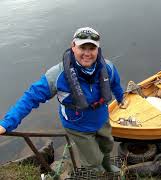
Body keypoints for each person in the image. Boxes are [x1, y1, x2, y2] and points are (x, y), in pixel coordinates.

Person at [0, 27, 127, 173]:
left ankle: (107, 166)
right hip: (77, 125)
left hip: (101, 118)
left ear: (98, 49)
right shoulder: (57, 75)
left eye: (92, 48)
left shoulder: (108, 67)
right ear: (73, 46)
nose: (87, 53)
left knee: (107, 145)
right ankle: (97, 171)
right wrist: (6, 123)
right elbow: (30, 97)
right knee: (93, 160)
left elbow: (115, 84)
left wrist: (120, 98)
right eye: (82, 47)